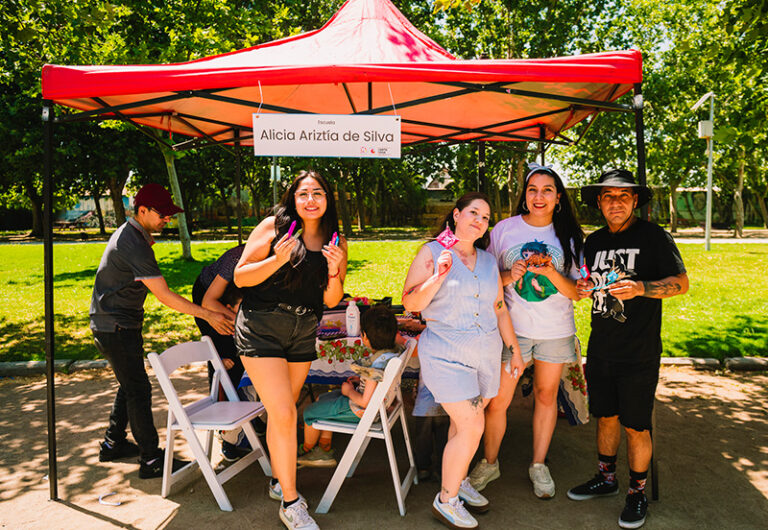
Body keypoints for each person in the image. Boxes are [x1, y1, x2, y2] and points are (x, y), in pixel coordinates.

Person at [567, 169, 688, 529]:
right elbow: (587, 280)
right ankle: (606, 478)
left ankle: (636, 493)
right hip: (601, 347)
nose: (615, 202)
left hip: (639, 351)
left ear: (635, 201)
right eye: (608, 196)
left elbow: (680, 284)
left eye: (623, 196)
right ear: (600, 203)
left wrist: (641, 289)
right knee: (606, 417)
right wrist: (585, 286)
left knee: (636, 425)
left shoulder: (654, 237)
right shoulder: (594, 241)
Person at [90, 183, 232, 479]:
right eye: (163, 215)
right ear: (142, 210)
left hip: (117, 323)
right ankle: (151, 460)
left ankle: (113, 442)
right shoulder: (134, 243)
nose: (167, 220)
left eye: (169, 215)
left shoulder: (134, 235)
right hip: (115, 326)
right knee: (138, 389)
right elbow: (165, 296)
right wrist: (209, 314)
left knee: (130, 382)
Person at [402, 192, 524, 529]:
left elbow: (499, 307)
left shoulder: (487, 261)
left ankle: (457, 480)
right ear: (456, 215)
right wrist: (437, 276)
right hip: (446, 354)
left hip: (485, 354)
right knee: (473, 425)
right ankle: (447, 499)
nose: (479, 221)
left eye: (485, 218)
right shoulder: (432, 252)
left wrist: (513, 349)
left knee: (462, 426)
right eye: (473, 213)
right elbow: (411, 303)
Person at [233, 170, 347, 530]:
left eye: (318, 193)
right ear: (292, 199)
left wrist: (333, 271)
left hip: (303, 330)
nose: (311, 200)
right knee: (283, 412)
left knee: (285, 411)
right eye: (304, 194)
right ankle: (291, 502)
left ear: (328, 200)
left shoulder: (336, 240)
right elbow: (240, 277)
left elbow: (332, 299)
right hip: (261, 325)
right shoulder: (274, 227)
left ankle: (278, 478)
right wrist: (277, 260)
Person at [470, 163, 585, 499]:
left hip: (555, 329)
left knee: (547, 397)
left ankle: (538, 464)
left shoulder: (570, 236)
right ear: (524, 196)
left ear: (558, 197)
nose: (539, 196)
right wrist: (511, 273)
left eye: (547, 190)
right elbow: (485, 279)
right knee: (498, 401)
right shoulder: (505, 229)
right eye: (532, 190)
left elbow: (576, 291)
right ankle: (490, 462)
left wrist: (550, 272)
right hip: (511, 330)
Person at [298, 305, 402, 467]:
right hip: (378, 407)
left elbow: (365, 402)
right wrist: (360, 382)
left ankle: (307, 450)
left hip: (361, 411)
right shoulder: (391, 354)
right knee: (321, 399)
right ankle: (324, 448)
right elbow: (374, 385)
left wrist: (349, 391)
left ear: (364, 336)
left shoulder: (373, 367)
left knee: (310, 412)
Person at [192, 244, 263, 462]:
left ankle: (252, 414)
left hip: (240, 303)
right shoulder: (235, 258)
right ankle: (227, 434)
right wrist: (242, 323)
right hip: (211, 299)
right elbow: (208, 303)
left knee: (249, 355)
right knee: (227, 361)